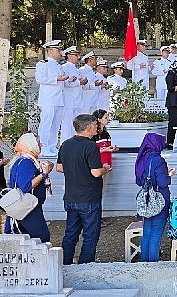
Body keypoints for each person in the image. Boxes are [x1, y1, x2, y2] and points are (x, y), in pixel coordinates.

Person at [56, 114, 112, 265]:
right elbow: (95, 172)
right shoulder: (90, 146)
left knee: (70, 234)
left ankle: (65, 264)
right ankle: (84, 267)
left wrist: (75, 168)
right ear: (88, 128)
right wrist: (105, 169)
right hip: (89, 197)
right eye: (95, 125)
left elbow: (59, 168)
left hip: (70, 196)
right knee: (90, 234)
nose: (97, 127)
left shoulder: (66, 144)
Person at [4, 133, 52, 243]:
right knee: (42, 237)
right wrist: (43, 174)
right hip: (27, 209)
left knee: (25, 238)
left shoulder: (23, 160)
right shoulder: (26, 162)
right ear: (31, 145)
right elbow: (25, 186)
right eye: (38, 143)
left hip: (25, 207)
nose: (41, 146)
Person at [135, 133, 175, 262]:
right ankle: (153, 264)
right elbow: (162, 182)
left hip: (146, 199)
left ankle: (144, 262)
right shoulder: (158, 159)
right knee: (156, 234)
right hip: (158, 200)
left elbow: (140, 180)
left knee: (147, 232)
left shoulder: (142, 158)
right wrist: (169, 175)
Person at [35, 40, 67, 157]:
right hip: (48, 99)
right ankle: (43, 146)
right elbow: (40, 79)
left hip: (59, 99)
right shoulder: (43, 64)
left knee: (55, 124)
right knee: (46, 123)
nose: (60, 52)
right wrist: (56, 79)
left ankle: (52, 146)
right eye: (58, 50)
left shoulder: (59, 66)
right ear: (50, 51)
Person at [60, 46, 84, 142]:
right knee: (67, 125)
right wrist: (77, 82)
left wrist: (81, 82)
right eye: (75, 55)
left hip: (77, 100)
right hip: (68, 100)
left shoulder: (76, 69)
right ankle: (65, 144)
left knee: (75, 125)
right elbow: (64, 83)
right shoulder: (64, 68)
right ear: (69, 56)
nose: (78, 57)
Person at [79, 51, 100, 115]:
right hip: (85, 99)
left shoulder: (92, 71)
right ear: (90, 59)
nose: (96, 61)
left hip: (93, 99)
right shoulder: (82, 70)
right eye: (95, 59)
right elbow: (82, 84)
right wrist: (94, 84)